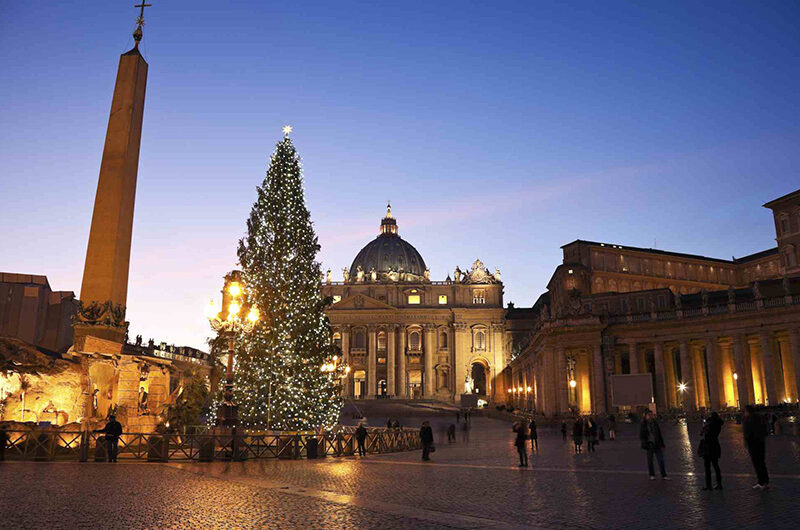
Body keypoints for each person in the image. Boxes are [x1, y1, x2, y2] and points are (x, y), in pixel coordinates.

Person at [743, 405, 769, 489]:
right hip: (761, 442)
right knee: (762, 462)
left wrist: (747, 443)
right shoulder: (760, 418)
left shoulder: (748, 420)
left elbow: (747, 433)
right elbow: (765, 429)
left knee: (757, 463)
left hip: (753, 444)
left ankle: (761, 482)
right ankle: (766, 481)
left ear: (747, 411)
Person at [640, 410, 669, 480]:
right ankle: (652, 475)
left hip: (657, 443)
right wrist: (645, 443)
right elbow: (641, 435)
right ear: (646, 416)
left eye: (651, 415)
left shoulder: (655, 423)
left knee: (661, 460)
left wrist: (662, 443)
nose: (650, 416)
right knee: (650, 460)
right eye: (649, 415)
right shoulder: (643, 424)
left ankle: (664, 475)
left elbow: (659, 433)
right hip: (649, 444)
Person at [700, 411, 724, 490]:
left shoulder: (709, 425)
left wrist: (705, 425)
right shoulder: (718, 424)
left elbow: (702, 433)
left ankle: (708, 485)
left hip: (708, 447)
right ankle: (719, 484)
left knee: (707, 467)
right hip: (715, 445)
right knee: (716, 466)